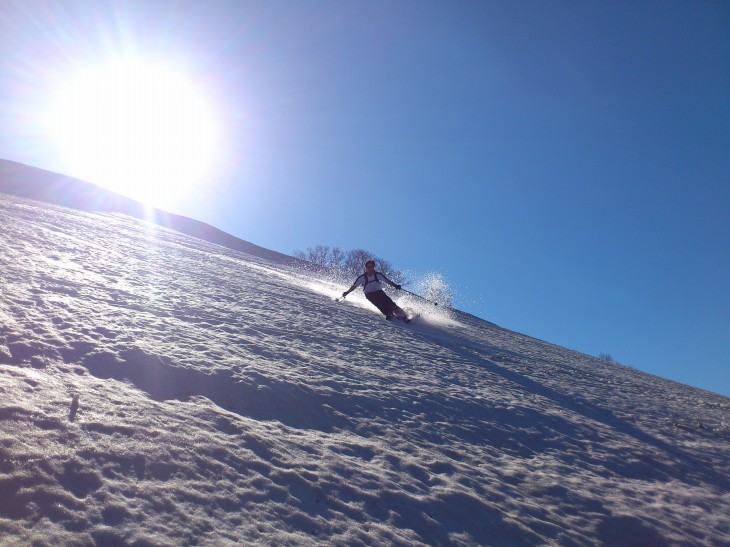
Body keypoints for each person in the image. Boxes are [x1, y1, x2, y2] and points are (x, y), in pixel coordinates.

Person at [342, 260, 408, 320]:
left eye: (372, 267)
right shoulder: (362, 278)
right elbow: (354, 286)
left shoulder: (378, 275)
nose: (370, 268)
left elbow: (387, 281)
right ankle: (389, 314)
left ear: (374, 267)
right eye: (368, 267)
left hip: (379, 292)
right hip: (369, 294)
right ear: (366, 268)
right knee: (379, 304)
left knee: (389, 302)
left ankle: (403, 315)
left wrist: (395, 286)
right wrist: (347, 292)